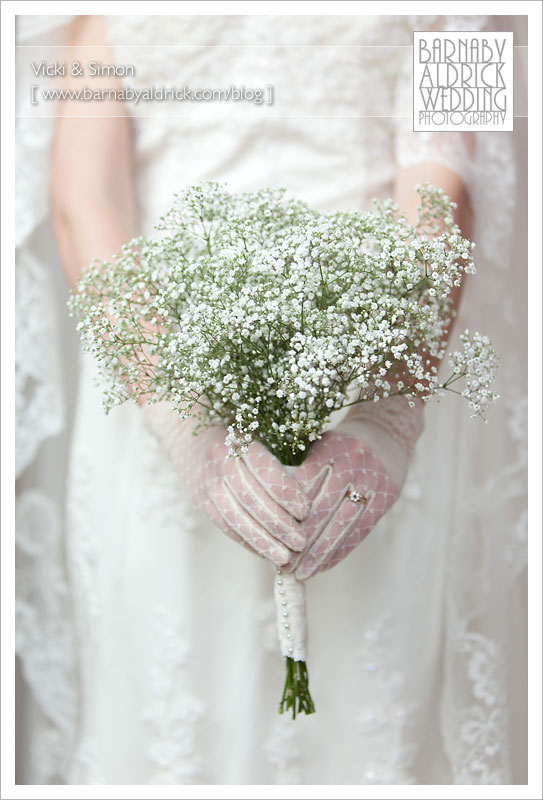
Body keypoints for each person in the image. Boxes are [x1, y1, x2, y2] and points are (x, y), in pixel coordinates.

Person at [15, 13, 527, 784]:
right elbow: (82, 201)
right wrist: (181, 418)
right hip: (160, 391)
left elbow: (453, 195)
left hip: (372, 375)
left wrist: (385, 414)